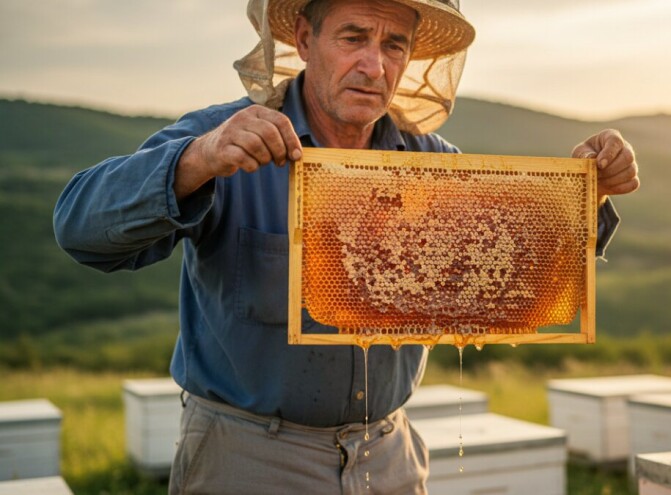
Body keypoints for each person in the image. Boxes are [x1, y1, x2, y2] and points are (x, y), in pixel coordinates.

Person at [54, 0, 640, 493]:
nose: (373, 64)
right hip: (248, 457)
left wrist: (582, 197)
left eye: (393, 45)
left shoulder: (435, 165)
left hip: (388, 454)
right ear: (305, 39)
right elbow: (79, 228)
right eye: (354, 37)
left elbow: (512, 270)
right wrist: (197, 160)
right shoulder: (223, 137)